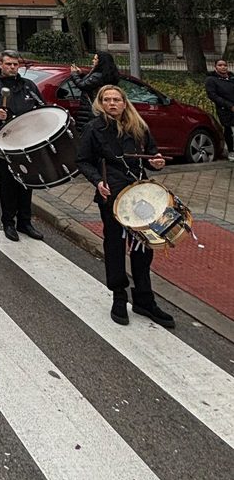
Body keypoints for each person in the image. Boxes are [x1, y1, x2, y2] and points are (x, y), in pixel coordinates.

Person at [75, 85, 175, 328]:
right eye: (107, 100)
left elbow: (151, 155)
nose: (112, 104)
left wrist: (156, 162)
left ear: (124, 102)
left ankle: (144, 299)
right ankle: (119, 296)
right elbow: (83, 161)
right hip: (112, 195)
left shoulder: (139, 126)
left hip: (140, 195)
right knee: (115, 245)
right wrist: (98, 181)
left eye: (116, 100)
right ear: (100, 103)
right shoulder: (94, 128)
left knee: (144, 246)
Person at [0, 50, 46, 242]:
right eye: (8, 64)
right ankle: (8, 222)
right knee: (8, 184)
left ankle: (25, 222)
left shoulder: (28, 86)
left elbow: (41, 108)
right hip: (5, 142)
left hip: (26, 142)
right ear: (0, 65)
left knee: (26, 182)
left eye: (15, 64)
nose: (12, 67)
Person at [70, 51, 120, 132]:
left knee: (87, 132)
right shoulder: (105, 75)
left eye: (95, 59)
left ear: (100, 62)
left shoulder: (98, 76)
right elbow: (90, 83)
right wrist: (81, 74)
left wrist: (74, 74)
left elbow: (83, 85)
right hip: (96, 108)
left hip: (90, 109)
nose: (93, 61)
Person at [205, 59, 234, 160]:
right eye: (220, 65)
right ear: (215, 67)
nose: (223, 67)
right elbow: (213, 95)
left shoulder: (231, 77)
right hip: (225, 109)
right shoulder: (211, 80)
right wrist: (229, 106)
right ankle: (231, 151)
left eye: (225, 65)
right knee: (229, 129)